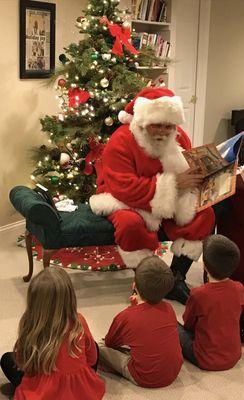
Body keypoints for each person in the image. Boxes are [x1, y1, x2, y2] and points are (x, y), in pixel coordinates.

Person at [90, 86, 215, 304]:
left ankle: (176, 279)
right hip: (123, 200)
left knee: (204, 214)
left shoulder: (178, 137)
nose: (164, 131)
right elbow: (123, 187)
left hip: (168, 195)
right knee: (130, 224)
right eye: (157, 125)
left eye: (169, 126)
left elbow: (189, 169)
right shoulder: (121, 140)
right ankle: (148, 282)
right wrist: (173, 185)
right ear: (142, 121)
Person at [0, 267, 105, 400]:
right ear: (70, 297)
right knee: (93, 345)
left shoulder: (30, 327)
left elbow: (24, 364)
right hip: (81, 392)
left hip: (44, 394)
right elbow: (92, 359)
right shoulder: (79, 321)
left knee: (7, 360)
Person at [98, 256, 183, 388]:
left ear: (134, 285)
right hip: (173, 372)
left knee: (99, 345)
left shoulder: (126, 316)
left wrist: (133, 309)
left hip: (144, 377)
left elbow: (110, 342)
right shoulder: (169, 308)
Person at [178, 234, 244, 371]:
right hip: (234, 355)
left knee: (173, 326)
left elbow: (188, 323)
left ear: (204, 266)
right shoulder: (239, 288)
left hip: (205, 359)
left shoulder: (199, 294)